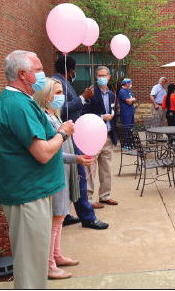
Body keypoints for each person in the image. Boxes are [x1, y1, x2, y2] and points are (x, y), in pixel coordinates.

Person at [0, 50, 74, 288]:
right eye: (38, 69)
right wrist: (63, 132)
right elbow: (42, 152)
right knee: (30, 269)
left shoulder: (23, 100)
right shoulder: (17, 104)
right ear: (23, 74)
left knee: (36, 262)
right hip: (28, 195)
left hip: (35, 192)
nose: (42, 74)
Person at [33, 78, 94, 280]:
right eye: (57, 93)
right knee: (56, 218)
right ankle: (49, 264)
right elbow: (51, 151)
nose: (61, 97)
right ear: (45, 95)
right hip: (55, 174)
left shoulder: (56, 117)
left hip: (64, 174)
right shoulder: (44, 118)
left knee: (60, 218)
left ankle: (57, 255)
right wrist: (75, 158)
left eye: (61, 93)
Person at [53, 56, 108, 230]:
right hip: (67, 136)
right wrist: (83, 98)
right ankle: (88, 217)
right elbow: (61, 110)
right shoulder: (58, 83)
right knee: (79, 177)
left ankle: (65, 213)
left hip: (69, 134)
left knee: (70, 178)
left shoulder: (62, 81)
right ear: (71, 70)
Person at [82, 66, 119, 208]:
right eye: (99, 76)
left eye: (104, 75)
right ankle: (89, 199)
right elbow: (83, 113)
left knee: (106, 169)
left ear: (109, 77)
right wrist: (101, 117)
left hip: (108, 136)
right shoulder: (90, 93)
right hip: (93, 137)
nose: (101, 78)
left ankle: (105, 196)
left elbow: (115, 113)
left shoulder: (112, 95)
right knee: (90, 170)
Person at [118, 78, 136, 150]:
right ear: (126, 84)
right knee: (126, 128)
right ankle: (125, 145)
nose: (131, 84)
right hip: (125, 113)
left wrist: (132, 99)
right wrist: (132, 99)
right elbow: (128, 101)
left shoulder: (129, 91)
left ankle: (130, 143)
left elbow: (134, 99)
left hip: (131, 112)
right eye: (130, 83)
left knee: (131, 128)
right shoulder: (122, 91)